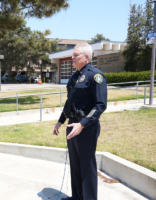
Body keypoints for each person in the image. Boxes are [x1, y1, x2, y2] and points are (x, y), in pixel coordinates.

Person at [53, 43, 107, 200]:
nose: (72, 57)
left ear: (86, 57)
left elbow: (100, 105)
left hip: (86, 128)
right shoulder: (74, 77)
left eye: (76, 55)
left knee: (87, 166)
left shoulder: (95, 76)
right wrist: (60, 121)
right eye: (73, 54)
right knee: (75, 165)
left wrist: (82, 124)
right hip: (72, 124)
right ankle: (77, 197)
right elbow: (69, 102)